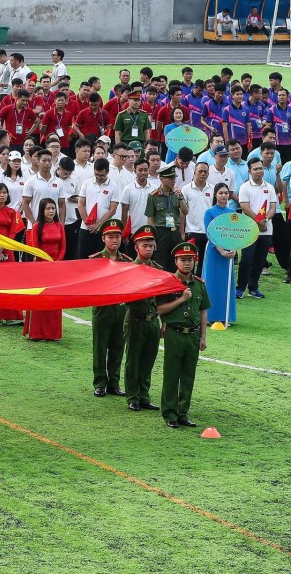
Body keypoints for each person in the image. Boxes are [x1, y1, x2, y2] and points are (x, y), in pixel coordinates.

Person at [157, 243, 210, 428]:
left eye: (190, 260)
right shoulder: (168, 283)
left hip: (193, 335)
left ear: (194, 261)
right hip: (175, 333)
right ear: (176, 261)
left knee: (188, 375)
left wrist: (203, 336)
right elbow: (160, 309)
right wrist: (181, 299)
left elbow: (203, 310)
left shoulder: (199, 284)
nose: (187, 263)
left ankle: (183, 412)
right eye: (183, 260)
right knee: (171, 375)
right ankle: (170, 413)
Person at [89, 218, 131, 397]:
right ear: (103, 239)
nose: (114, 240)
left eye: (117, 237)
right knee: (100, 347)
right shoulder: (95, 260)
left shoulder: (127, 261)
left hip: (121, 308)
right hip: (102, 308)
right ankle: (100, 383)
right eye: (110, 237)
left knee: (118, 346)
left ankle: (114, 382)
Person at [123, 225, 162, 411]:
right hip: (135, 319)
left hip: (153, 320)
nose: (148, 249)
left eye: (151, 245)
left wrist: (163, 322)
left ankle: (144, 395)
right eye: (144, 245)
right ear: (136, 247)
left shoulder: (158, 269)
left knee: (148, 359)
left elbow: (162, 299)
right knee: (133, 360)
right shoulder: (129, 270)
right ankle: (133, 396)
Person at [22, 198, 64, 339]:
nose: (51, 211)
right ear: (42, 210)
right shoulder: (36, 227)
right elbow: (36, 248)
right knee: (40, 298)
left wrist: (57, 262)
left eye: (53, 208)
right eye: (48, 209)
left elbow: (63, 246)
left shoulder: (59, 226)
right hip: (41, 267)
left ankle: (53, 333)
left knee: (55, 299)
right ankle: (37, 332)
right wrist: (47, 263)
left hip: (56, 267)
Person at [237, 158, 275, 299]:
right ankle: (240, 288)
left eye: (261, 168)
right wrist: (259, 221)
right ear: (249, 171)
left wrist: (266, 220)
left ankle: (253, 288)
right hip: (249, 229)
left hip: (266, 230)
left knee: (259, 260)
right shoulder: (245, 187)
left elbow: (272, 207)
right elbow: (244, 207)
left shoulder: (269, 187)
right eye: (255, 169)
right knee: (246, 259)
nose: (259, 171)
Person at [201, 183, 238, 324]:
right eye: (221, 193)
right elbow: (210, 233)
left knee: (226, 282)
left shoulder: (232, 213)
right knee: (211, 281)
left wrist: (234, 249)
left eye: (226, 193)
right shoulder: (209, 212)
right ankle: (209, 316)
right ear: (215, 194)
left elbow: (236, 233)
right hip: (214, 251)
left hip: (228, 251)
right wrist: (221, 250)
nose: (224, 195)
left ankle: (225, 315)